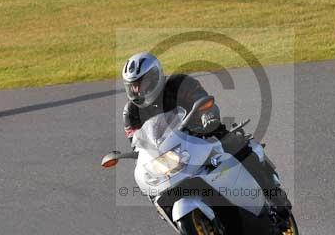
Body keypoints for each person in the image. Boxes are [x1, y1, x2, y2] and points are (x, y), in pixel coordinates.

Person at [121, 52, 287, 208]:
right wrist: (140, 157)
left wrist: (208, 115)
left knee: (238, 146)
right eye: (133, 86)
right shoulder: (131, 112)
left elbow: (201, 99)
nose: (138, 91)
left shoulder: (178, 84)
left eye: (142, 84)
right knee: (153, 188)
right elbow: (138, 145)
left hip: (202, 134)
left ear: (155, 77)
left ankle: (273, 193)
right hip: (169, 154)